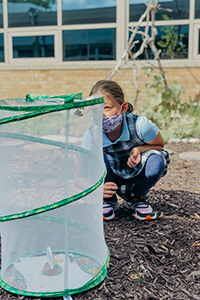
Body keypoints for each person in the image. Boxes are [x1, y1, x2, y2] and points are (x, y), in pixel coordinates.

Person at [89, 80, 170, 221]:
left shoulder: (141, 125)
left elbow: (159, 146)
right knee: (98, 157)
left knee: (156, 160)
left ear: (123, 108)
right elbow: (80, 174)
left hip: (137, 172)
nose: (102, 114)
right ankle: (108, 201)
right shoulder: (91, 134)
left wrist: (139, 149)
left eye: (107, 107)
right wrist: (97, 190)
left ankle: (138, 197)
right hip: (110, 176)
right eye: (96, 109)